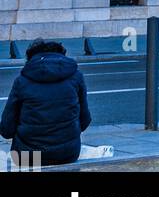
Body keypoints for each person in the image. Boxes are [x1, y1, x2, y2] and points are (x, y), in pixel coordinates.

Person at [1, 39, 91, 167]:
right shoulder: (76, 77)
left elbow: (6, 129)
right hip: (67, 154)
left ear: (31, 59)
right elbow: (85, 120)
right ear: (61, 56)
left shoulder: (22, 81)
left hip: (28, 156)